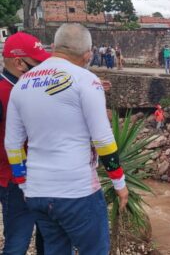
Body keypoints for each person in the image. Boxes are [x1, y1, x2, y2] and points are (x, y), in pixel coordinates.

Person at [5, 23, 128, 254]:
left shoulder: (22, 84)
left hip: (37, 193)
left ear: (54, 47)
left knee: (55, 249)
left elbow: (12, 144)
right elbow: (102, 139)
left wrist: (23, 184)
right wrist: (119, 183)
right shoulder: (87, 80)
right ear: (88, 54)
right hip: (77, 191)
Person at [0, 32, 50, 255]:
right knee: (17, 243)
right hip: (14, 180)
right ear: (19, 62)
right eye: (37, 64)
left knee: (48, 236)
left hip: (39, 177)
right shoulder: (4, 92)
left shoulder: (28, 88)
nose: (42, 69)